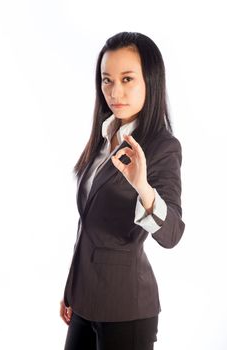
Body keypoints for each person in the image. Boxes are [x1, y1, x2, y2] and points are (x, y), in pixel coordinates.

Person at [60, 31, 185, 350]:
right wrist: (71, 289)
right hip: (85, 301)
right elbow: (87, 226)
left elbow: (171, 235)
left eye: (127, 79)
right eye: (106, 80)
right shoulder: (104, 136)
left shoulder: (162, 147)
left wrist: (142, 186)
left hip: (126, 309)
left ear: (150, 81)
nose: (114, 91)